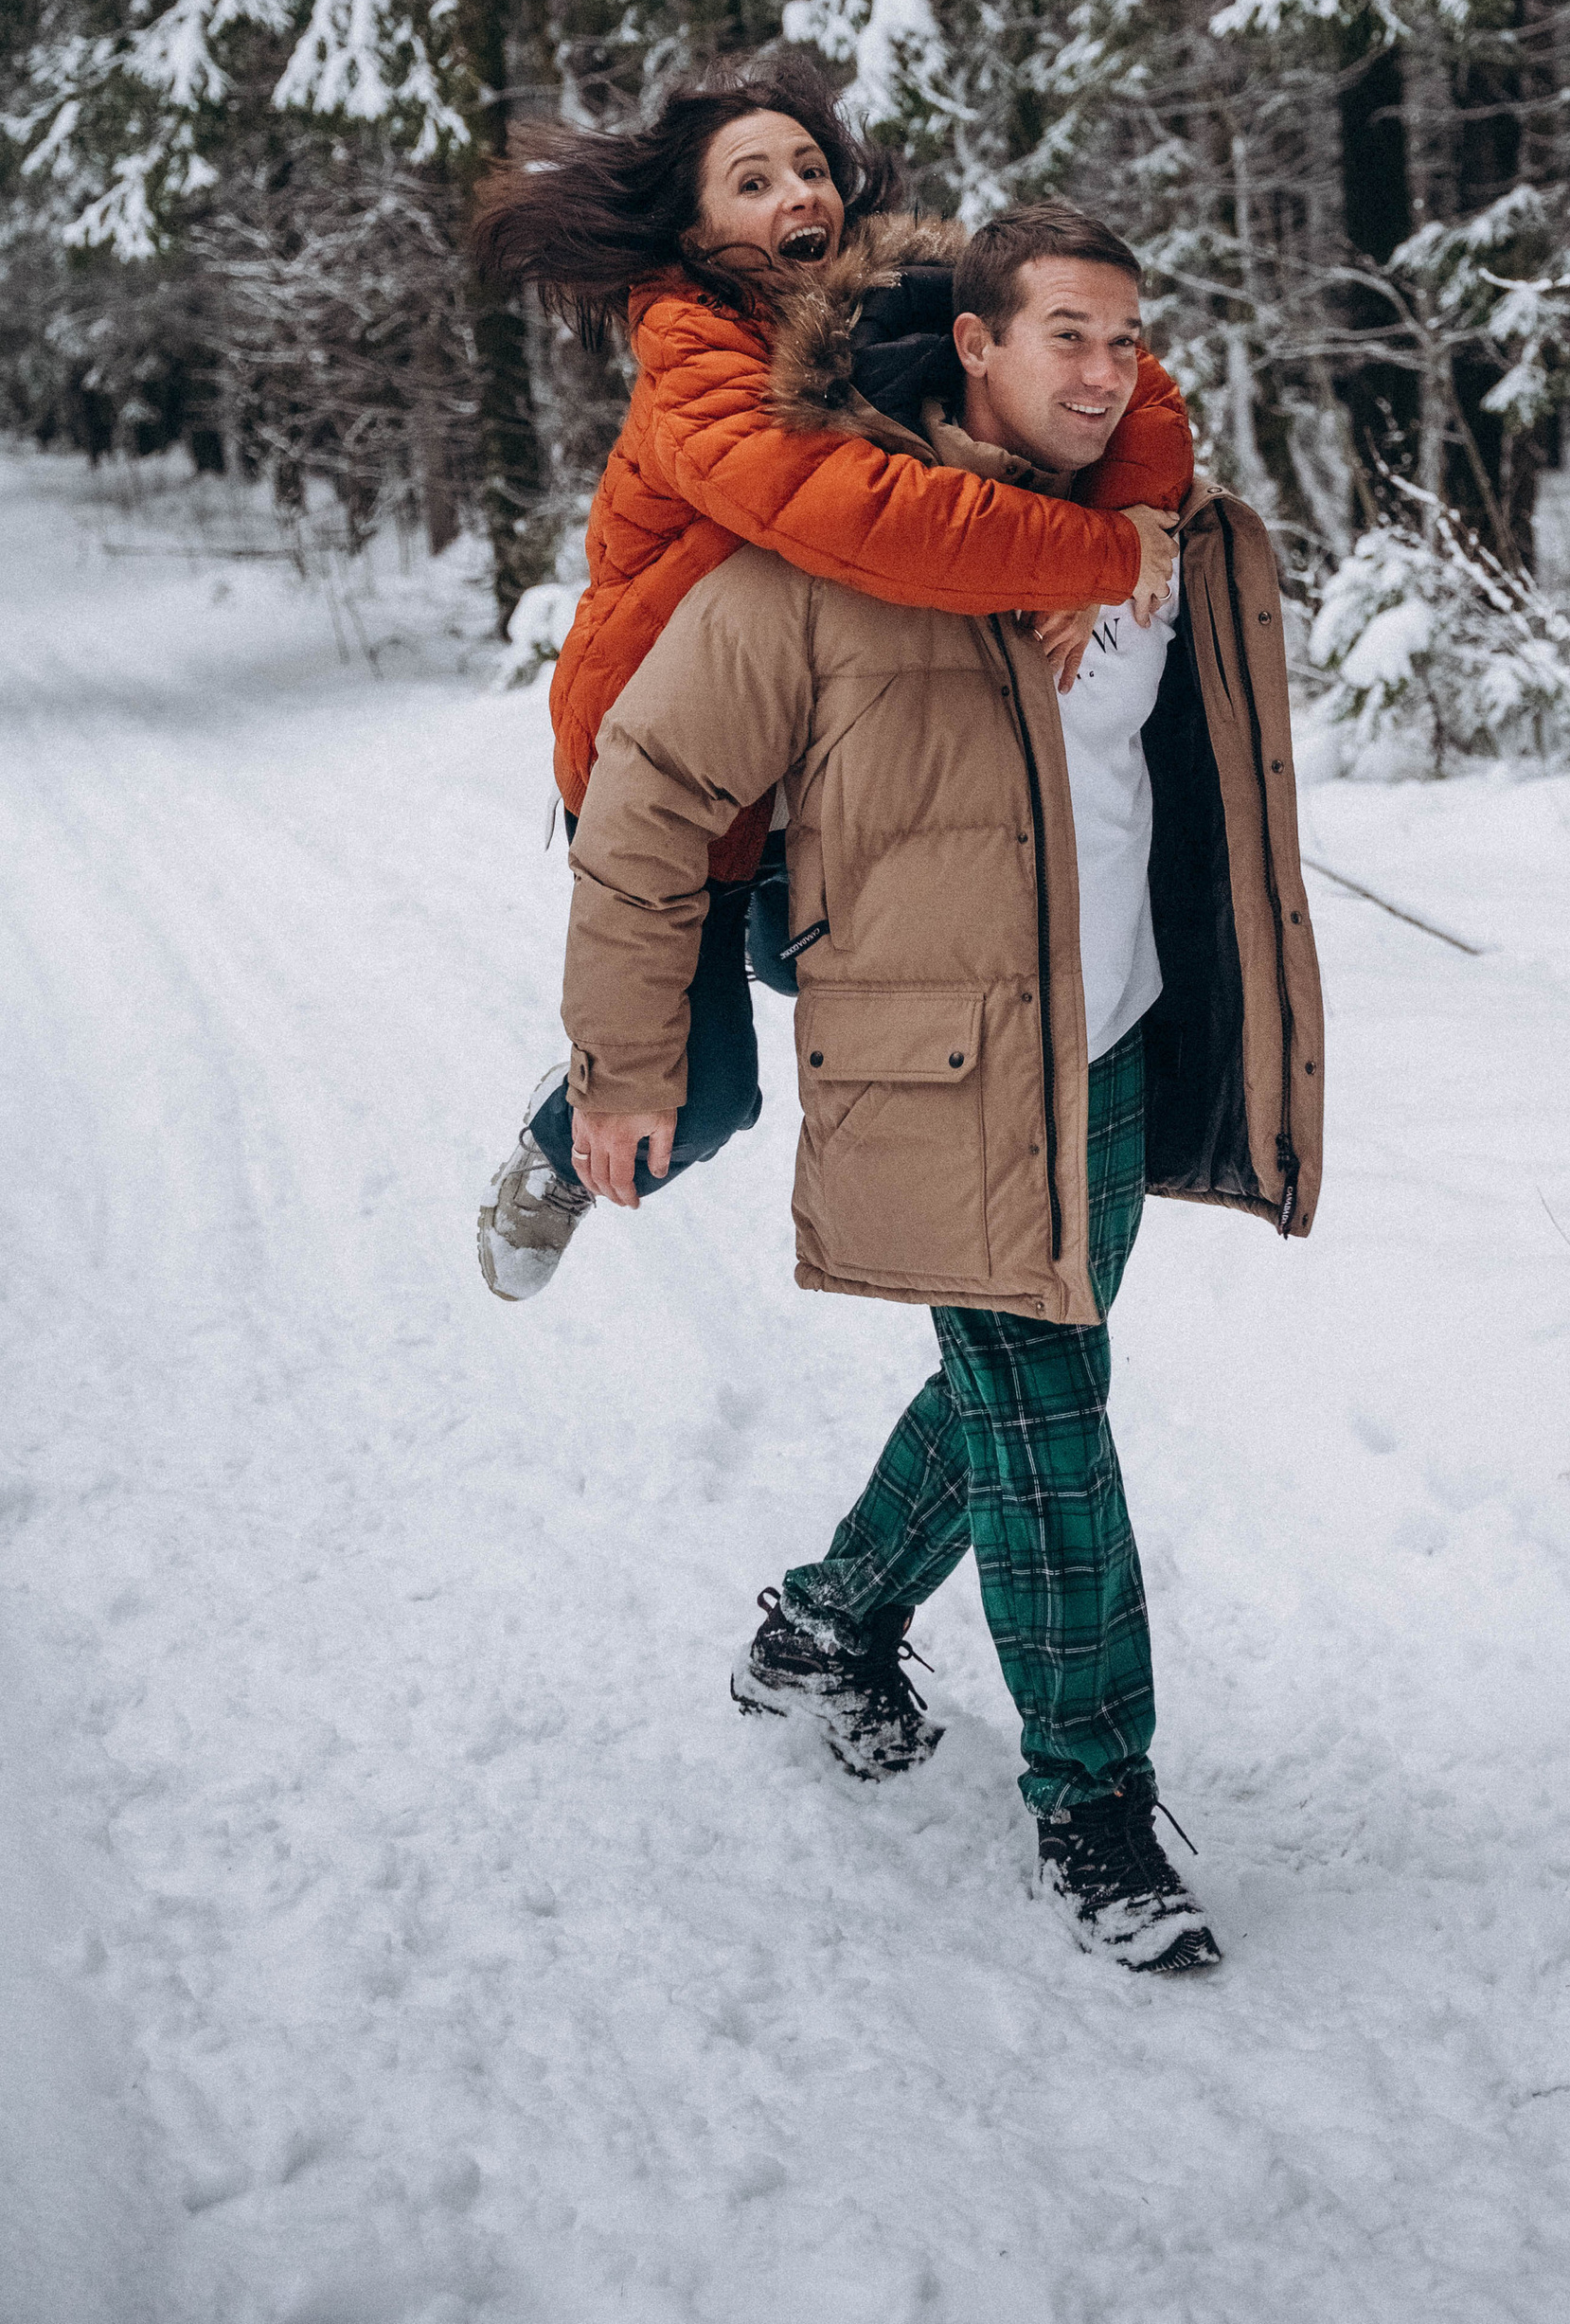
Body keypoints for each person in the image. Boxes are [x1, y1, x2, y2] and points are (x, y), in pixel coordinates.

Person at [559, 203, 1324, 1975]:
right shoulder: (823, 564)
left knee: (1019, 1380)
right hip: (937, 1062)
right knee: (1052, 1420)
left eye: (1126, 340)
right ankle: (1097, 1807)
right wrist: (624, 1066)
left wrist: (1124, 540)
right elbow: (647, 797)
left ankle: (829, 1621)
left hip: (1112, 1041)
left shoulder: (1137, 543)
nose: (1104, 370)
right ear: (973, 343)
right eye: (1065, 333)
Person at [464, 51, 1191, 1301]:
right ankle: (559, 1147)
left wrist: (1136, 518)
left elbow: (1126, 383)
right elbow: (856, 514)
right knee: (701, 1103)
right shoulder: (693, 364)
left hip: (815, 752)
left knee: (864, 962)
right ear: (693, 231)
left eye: (810, 167)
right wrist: (1094, 550)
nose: (797, 192)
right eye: (752, 180)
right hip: (670, 769)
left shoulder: (899, 300)